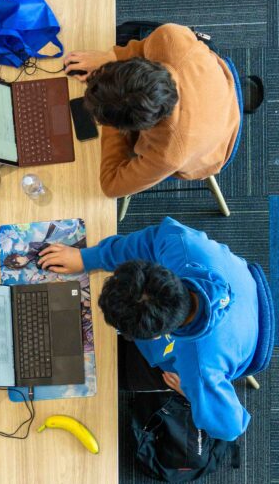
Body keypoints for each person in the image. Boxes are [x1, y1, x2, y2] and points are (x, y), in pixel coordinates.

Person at [38, 217, 258, 441]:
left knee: (108, 374)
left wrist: (191, 393)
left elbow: (230, 427)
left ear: (154, 336)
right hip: (245, 291)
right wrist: (87, 258)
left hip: (239, 346)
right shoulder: (179, 244)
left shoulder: (199, 369)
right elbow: (149, 242)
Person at [63, 24, 240, 198]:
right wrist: (110, 57)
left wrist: (111, 119)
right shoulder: (169, 37)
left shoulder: (170, 153)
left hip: (216, 147)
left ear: (132, 128)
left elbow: (111, 185)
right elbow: (139, 48)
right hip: (215, 84)